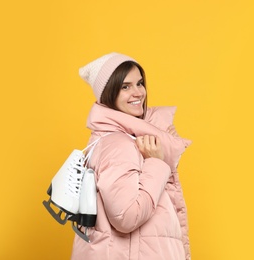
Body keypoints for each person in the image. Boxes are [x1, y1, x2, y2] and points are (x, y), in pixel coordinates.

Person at [71, 52, 192, 260]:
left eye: (139, 83)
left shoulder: (125, 138)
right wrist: (157, 162)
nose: (138, 93)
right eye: (125, 87)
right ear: (108, 93)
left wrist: (161, 137)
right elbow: (126, 216)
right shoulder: (118, 145)